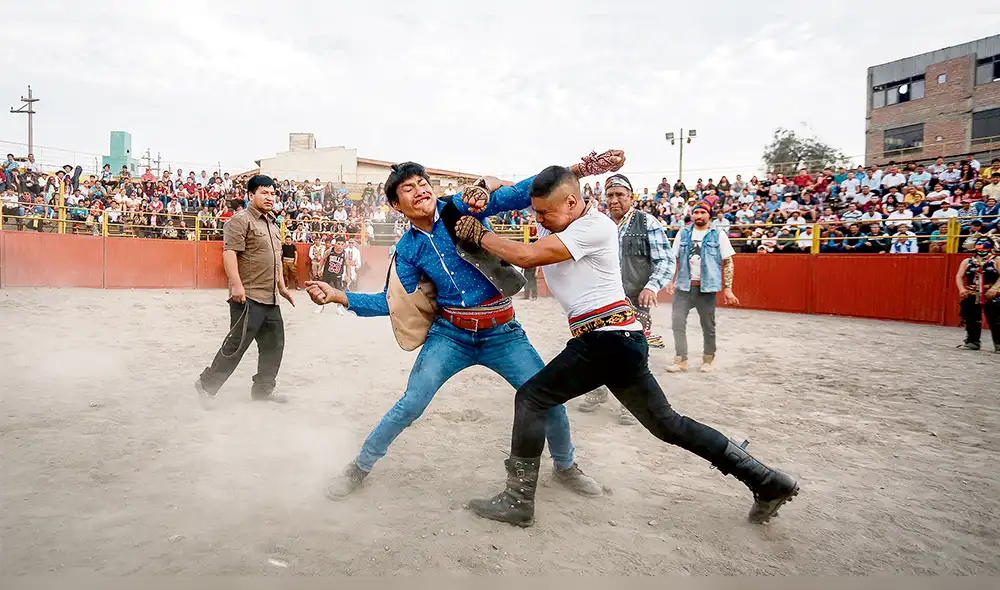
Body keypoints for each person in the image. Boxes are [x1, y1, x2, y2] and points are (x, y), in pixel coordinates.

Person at [452, 165, 798, 528]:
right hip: (619, 341)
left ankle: (518, 501)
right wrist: (485, 187)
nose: (536, 219)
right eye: (534, 211)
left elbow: (526, 258)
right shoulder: (558, 219)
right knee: (667, 425)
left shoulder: (595, 225)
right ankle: (767, 481)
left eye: (543, 212)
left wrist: (482, 237)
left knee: (532, 398)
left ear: (572, 202)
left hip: (605, 340)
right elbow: (508, 189)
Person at [305, 151, 626, 500]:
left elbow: (518, 193)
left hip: (502, 332)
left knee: (548, 401)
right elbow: (392, 302)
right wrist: (339, 296)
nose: (420, 191)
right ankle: (359, 467)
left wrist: (580, 169)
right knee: (411, 403)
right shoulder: (408, 249)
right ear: (396, 206)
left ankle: (566, 467)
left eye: (422, 183)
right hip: (451, 334)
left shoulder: (461, 206)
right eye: (408, 189)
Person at [577, 173, 675, 425]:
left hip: (634, 297)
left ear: (631, 197)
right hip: (602, 298)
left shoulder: (647, 222)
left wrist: (652, 287)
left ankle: (631, 403)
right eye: (610, 195)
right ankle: (598, 391)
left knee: (634, 351)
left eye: (620, 194)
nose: (614, 200)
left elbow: (665, 260)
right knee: (597, 345)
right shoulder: (599, 224)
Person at [195, 175, 296, 405]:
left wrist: (281, 286)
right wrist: (236, 285)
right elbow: (229, 253)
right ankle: (206, 386)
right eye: (264, 193)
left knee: (274, 345)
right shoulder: (240, 221)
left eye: (272, 193)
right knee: (236, 346)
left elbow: (276, 259)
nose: (270, 197)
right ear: (251, 195)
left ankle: (263, 390)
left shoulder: (272, 223)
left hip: (269, 298)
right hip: (247, 297)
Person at [665, 200, 739, 373]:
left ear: (709, 215)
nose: (699, 216)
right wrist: (669, 281)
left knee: (708, 325)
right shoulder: (683, 234)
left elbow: (728, 262)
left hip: (706, 289)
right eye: (696, 213)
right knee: (677, 323)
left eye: (702, 213)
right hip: (683, 286)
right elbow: (671, 260)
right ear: (692, 215)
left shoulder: (718, 235)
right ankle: (681, 360)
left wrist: (728, 288)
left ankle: (708, 359)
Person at [955, 235, 1000, 353]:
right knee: (971, 318)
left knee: (995, 319)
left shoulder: (996, 260)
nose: (982, 247)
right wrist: (961, 289)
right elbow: (959, 276)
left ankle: (999, 343)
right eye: (980, 244)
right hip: (972, 292)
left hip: (990, 293)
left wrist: (995, 288)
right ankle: (972, 341)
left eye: (985, 244)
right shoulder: (967, 261)